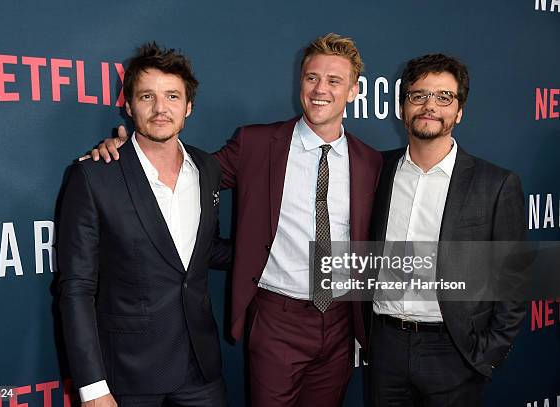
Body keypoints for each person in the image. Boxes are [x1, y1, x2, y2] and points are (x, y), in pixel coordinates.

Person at [88, 33, 382, 407]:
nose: (320, 89)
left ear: (354, 91)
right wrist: (124, 153)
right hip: (278, 319)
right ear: (300, 82)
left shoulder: (370, 161)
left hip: (341, 320)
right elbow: (182, 172)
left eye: (334, 81)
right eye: (311, 77)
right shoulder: (257, 144)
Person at [58, 42, 231, 407]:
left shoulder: (207, 168)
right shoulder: (93, 175)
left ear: (188, 107)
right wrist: (92, 388)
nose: (160, 109)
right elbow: (76, 288)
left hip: (201, 369)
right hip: (128, 375)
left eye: (172, 96)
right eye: (147, 96)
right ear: (128, 105)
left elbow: (204, 250)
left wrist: (273, 252)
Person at [368, 54, 527, 406]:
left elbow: (513, 282)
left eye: (444, 97)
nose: (429, 106)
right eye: (418, 95)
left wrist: (486, 354)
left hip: (454, 351)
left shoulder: (496, 184)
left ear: (460, 111)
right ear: (401, 106)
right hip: (385, 348)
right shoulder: (376, 170)